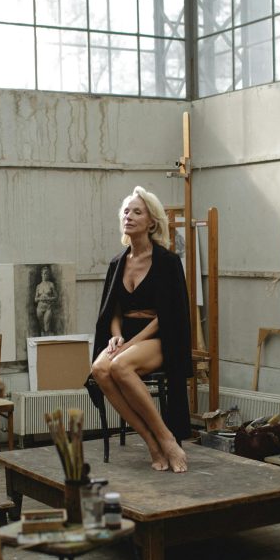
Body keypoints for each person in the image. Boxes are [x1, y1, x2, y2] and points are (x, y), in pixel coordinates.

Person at [88, 186, 192, 473]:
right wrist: (117, 334)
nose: (129, 216)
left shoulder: (167, 262)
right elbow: (112, 309)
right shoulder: (117, 263)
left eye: (137, 211)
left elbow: (169, 315)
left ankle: (167, 438)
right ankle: (151, 442)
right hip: (127, 335)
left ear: (151, 221)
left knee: (119, 366)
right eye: (125, 211)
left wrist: (131, 342)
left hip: (159, 335)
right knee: (99, 369)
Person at [33, 265, 59, 335]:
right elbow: (35, 299)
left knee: (46, 326)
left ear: (48, 275)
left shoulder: (51, 284)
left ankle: (47, 340)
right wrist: (40, 298)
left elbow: (56, 297)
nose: (45, 275)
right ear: (41, 274)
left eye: (46, 273)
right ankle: (43, 341)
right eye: (44, 273)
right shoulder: (38, 286)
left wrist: (48, 298)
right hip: (39, 308)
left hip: (48, 307)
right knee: (42, 329)